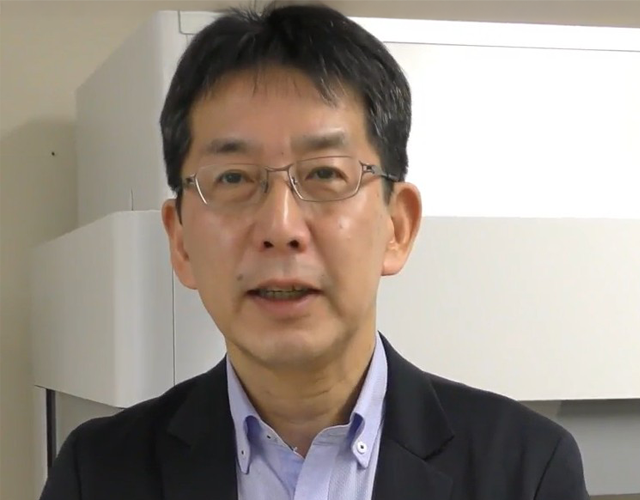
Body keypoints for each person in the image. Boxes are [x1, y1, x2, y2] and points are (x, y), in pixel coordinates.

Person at [40, 3, 589, 499]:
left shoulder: (526, 470)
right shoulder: (97, 473)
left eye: (325, 174)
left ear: (397, 226)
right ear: (180, 240)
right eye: (233, 177)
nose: (280, 227)